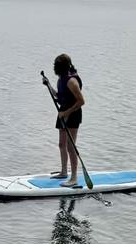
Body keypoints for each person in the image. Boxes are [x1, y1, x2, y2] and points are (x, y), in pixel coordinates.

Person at [42, 54, 85, 187]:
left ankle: (74, 178)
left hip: (72, 114)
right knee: (62, 144)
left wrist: (66, 113)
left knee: (71, 147)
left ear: (62, 67)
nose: (54, 68)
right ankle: (64, 172)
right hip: (63, 113)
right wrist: (48, 85)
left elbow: (81, 101)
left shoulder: (72, 81)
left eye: (56, 66)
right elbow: (59, 96)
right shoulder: (61, 79)